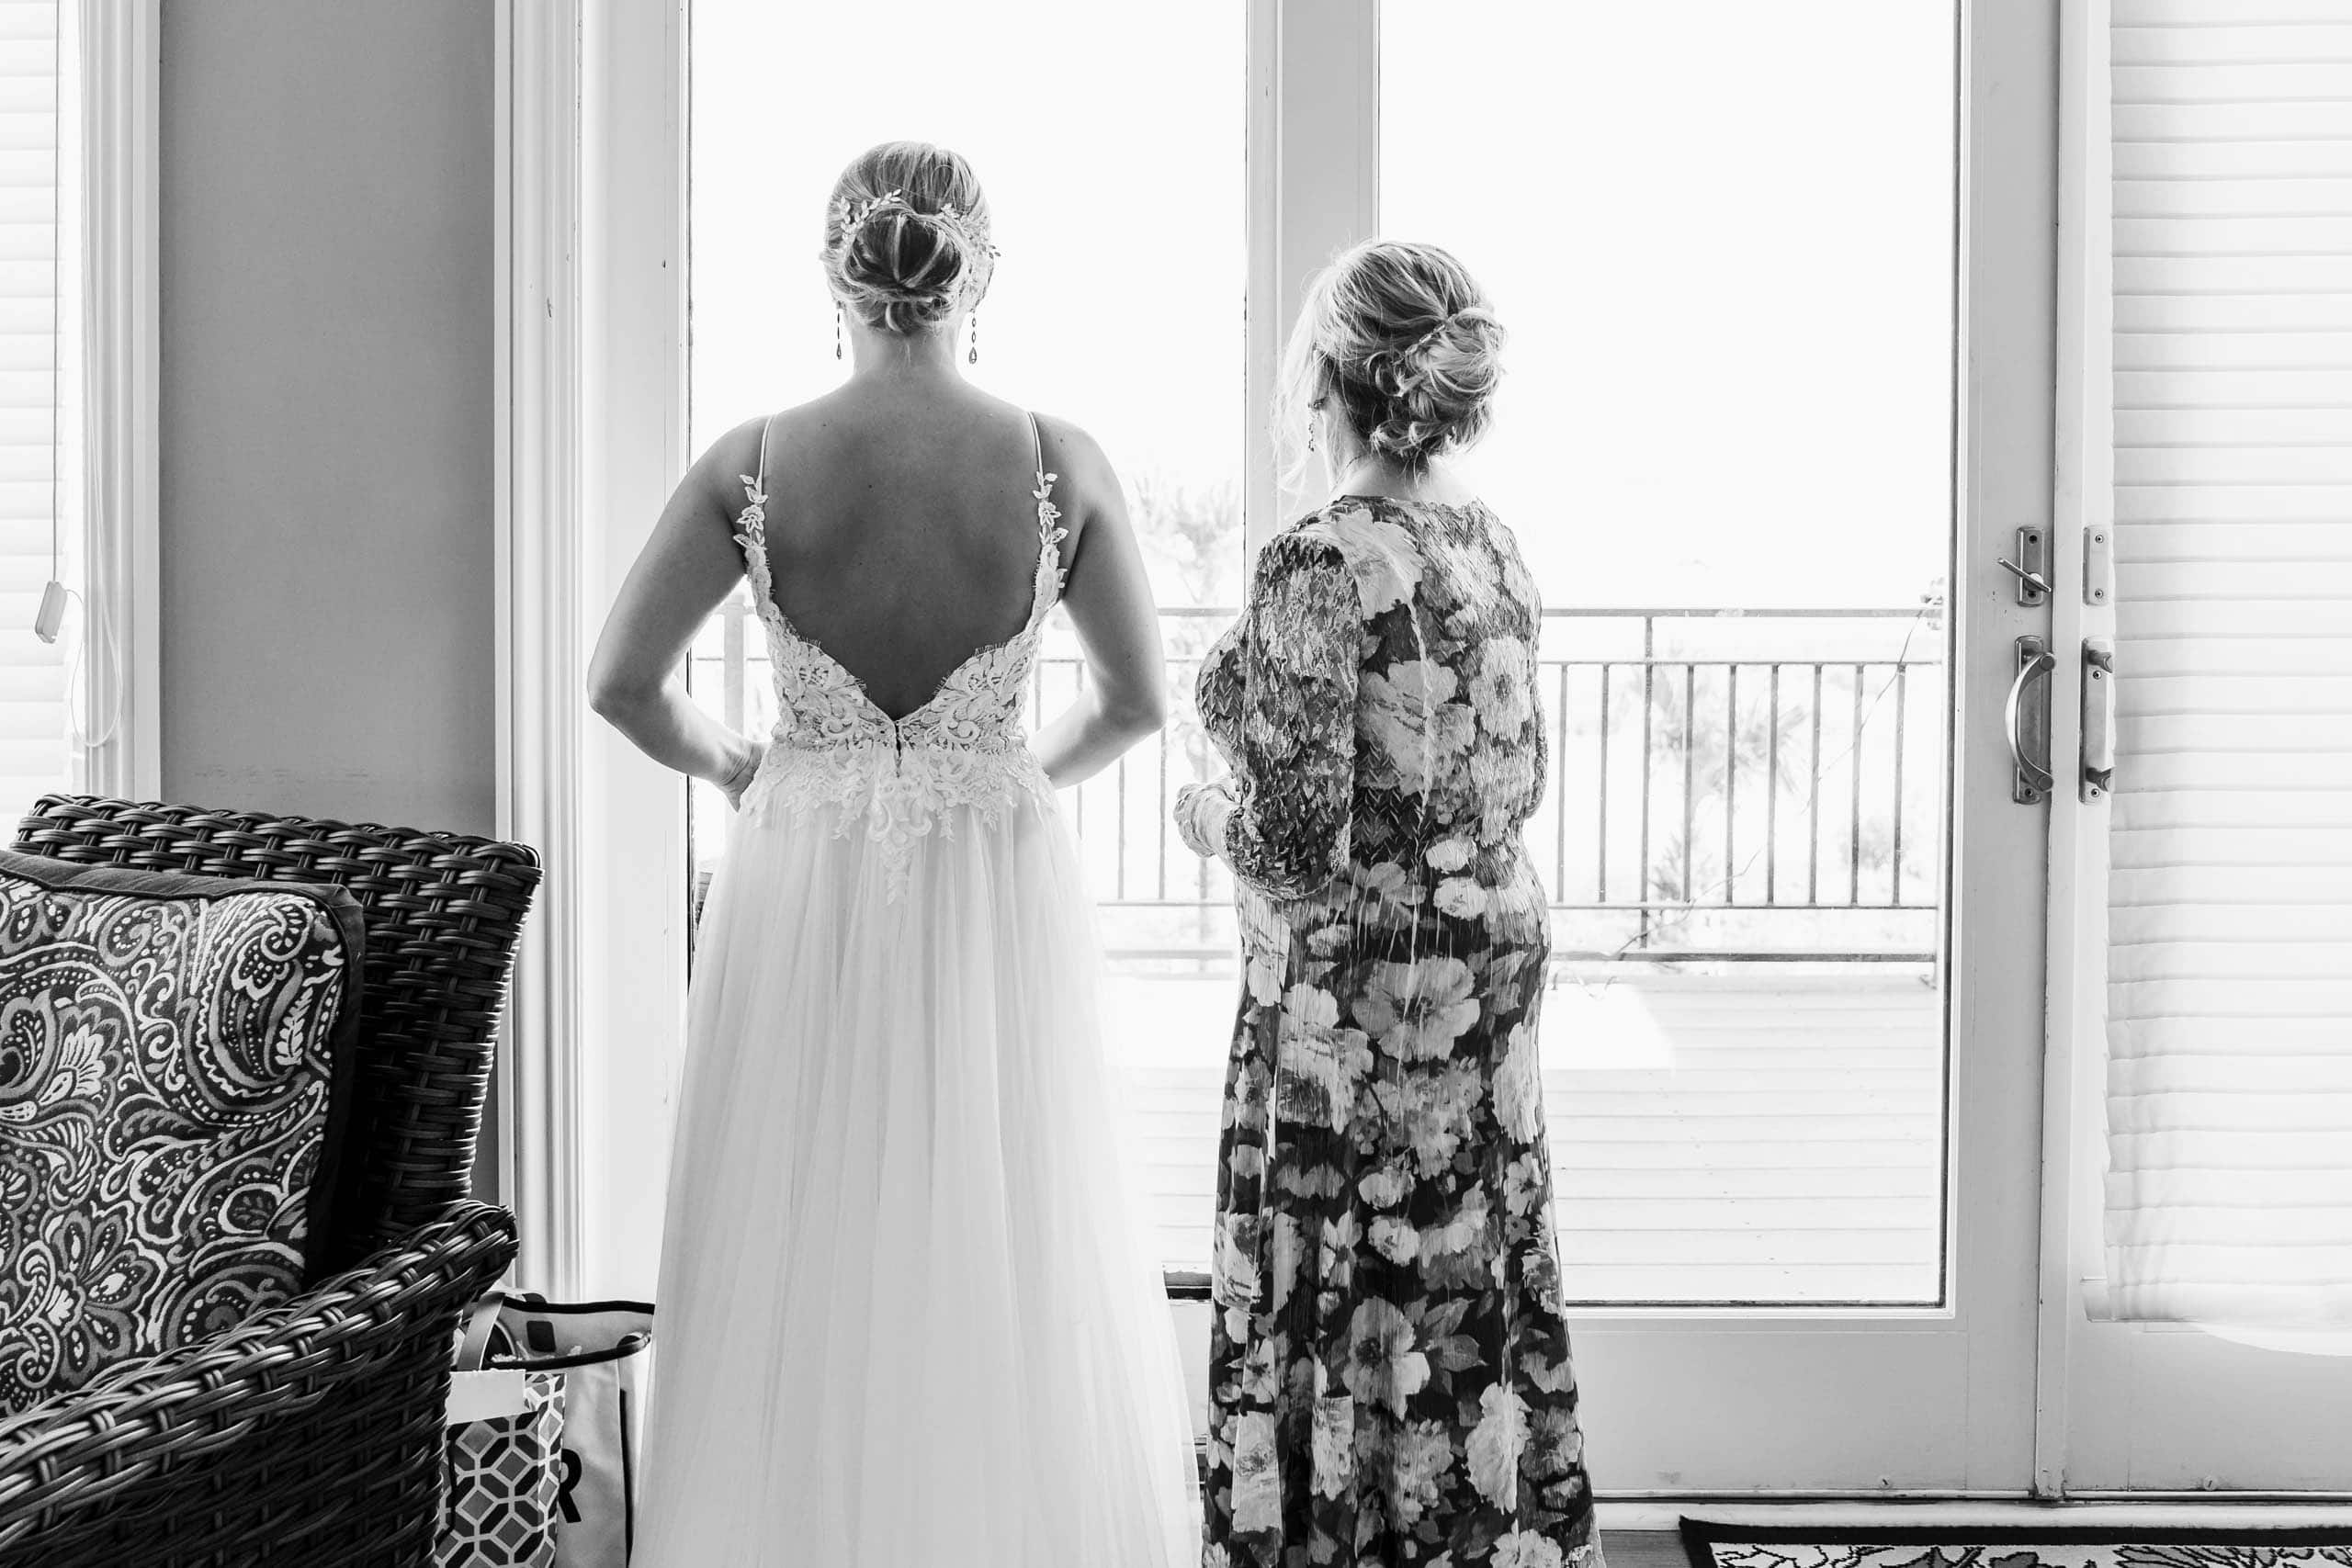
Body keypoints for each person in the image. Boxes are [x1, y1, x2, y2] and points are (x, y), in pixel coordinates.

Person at [589, 140, 1199, 1566]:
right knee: (1001, 1232)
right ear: (976, 275)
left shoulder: (755, 459)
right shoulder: (1061, 460)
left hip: (801, 875)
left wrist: (744, 762)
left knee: (796, 1236)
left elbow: (622, 681)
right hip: (994, 878)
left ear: (838, 274)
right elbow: (1138, 703)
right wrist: (999, 777)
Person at [1175, 239, 1602, 1568]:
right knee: (1468, 1274)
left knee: (1347, 1288)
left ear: (1329, 381)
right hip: (1489, 966)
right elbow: (1513, 772)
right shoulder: (1493, 545)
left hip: (1359, 1004)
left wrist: (1196, 814)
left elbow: (1295, 840)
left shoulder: (1318, 564)